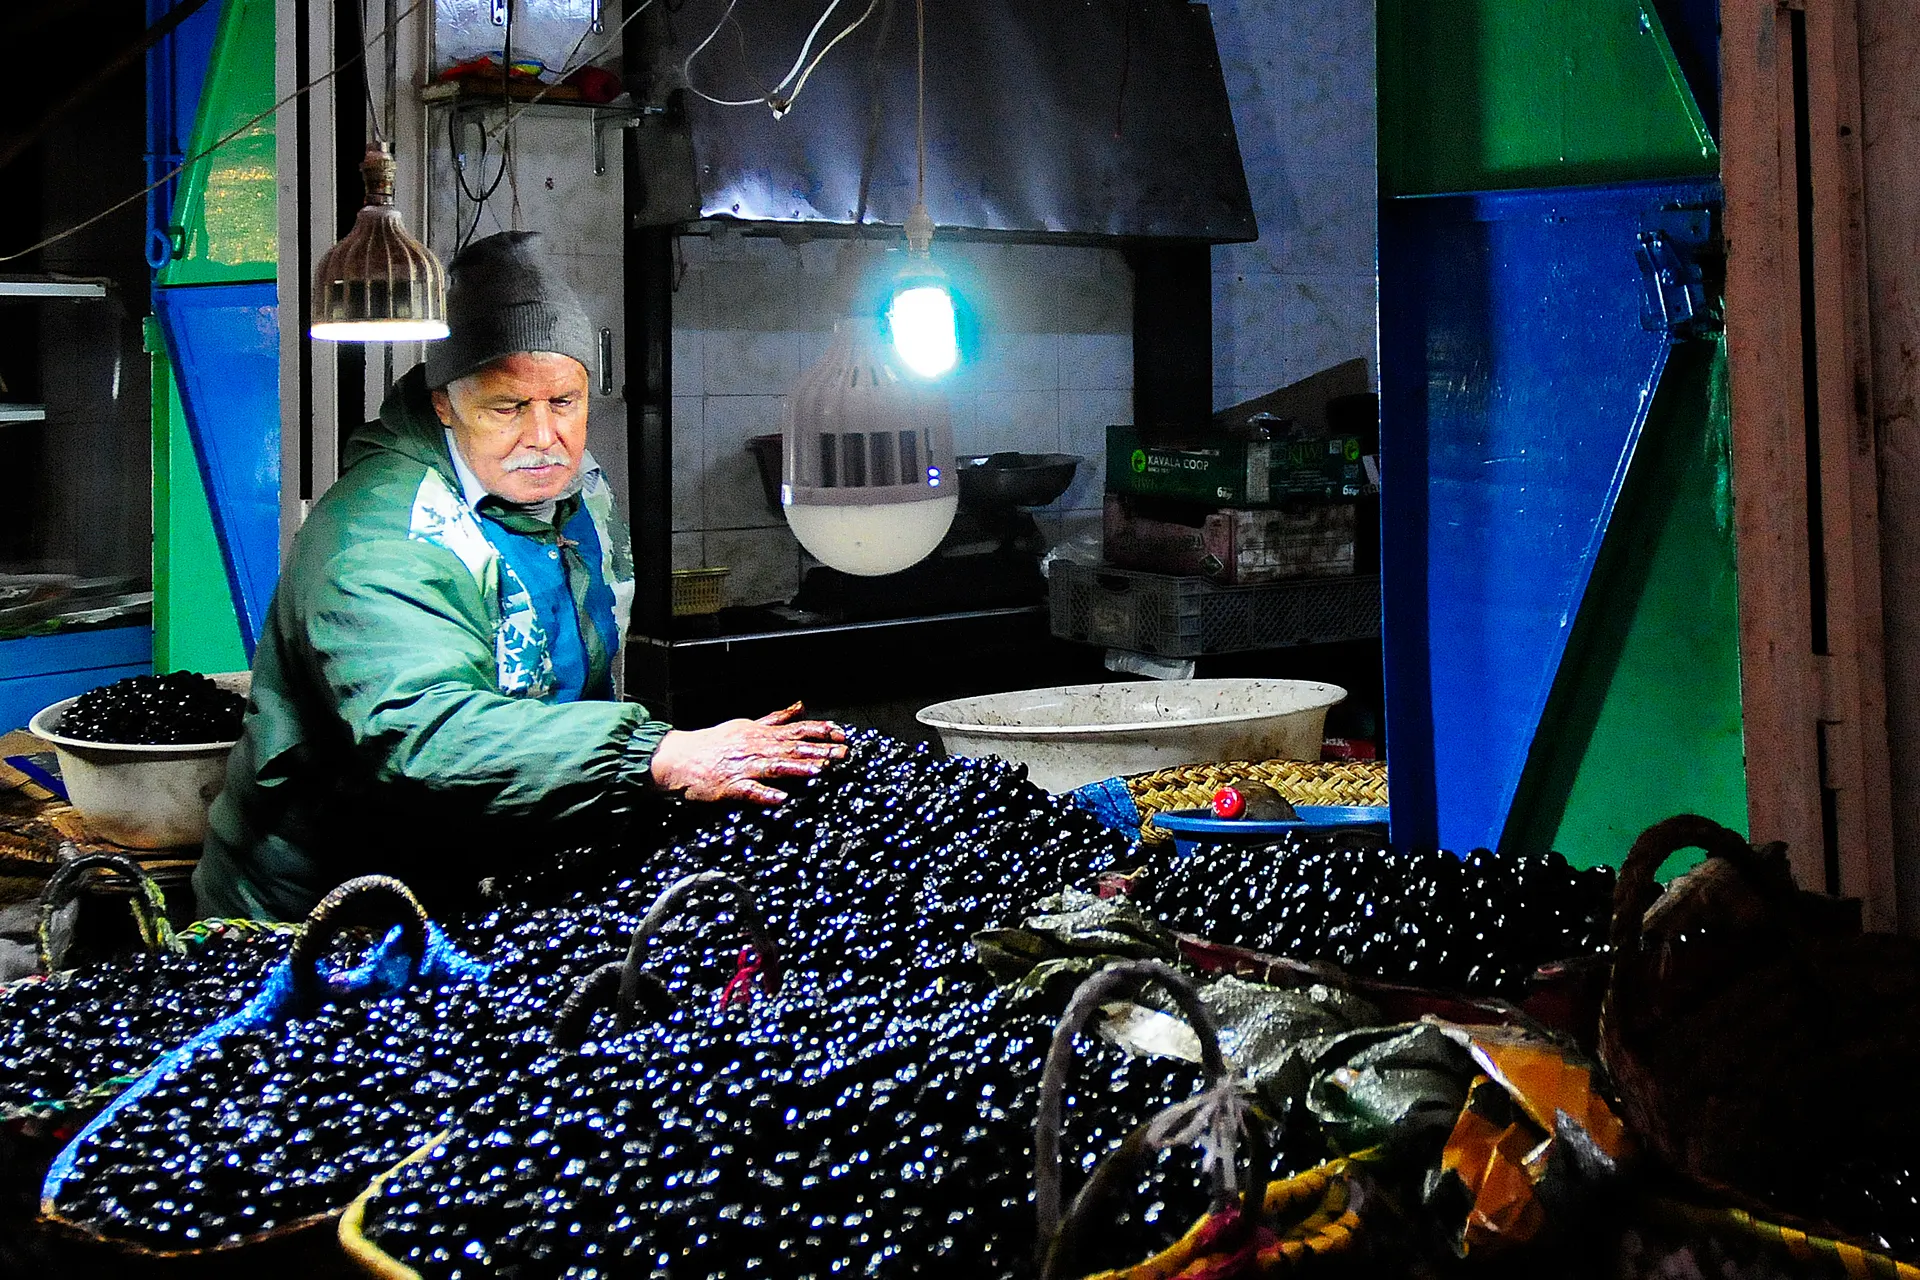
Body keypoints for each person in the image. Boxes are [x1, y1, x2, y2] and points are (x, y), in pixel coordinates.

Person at [192, 231, 844, 921]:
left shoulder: (574, 488)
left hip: (480, 878)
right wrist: (653, 754)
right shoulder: (385, 535)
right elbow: (424, 733)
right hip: (326, 914)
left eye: (564, 402)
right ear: (444, 403)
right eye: (507, 407)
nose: (542, 435)